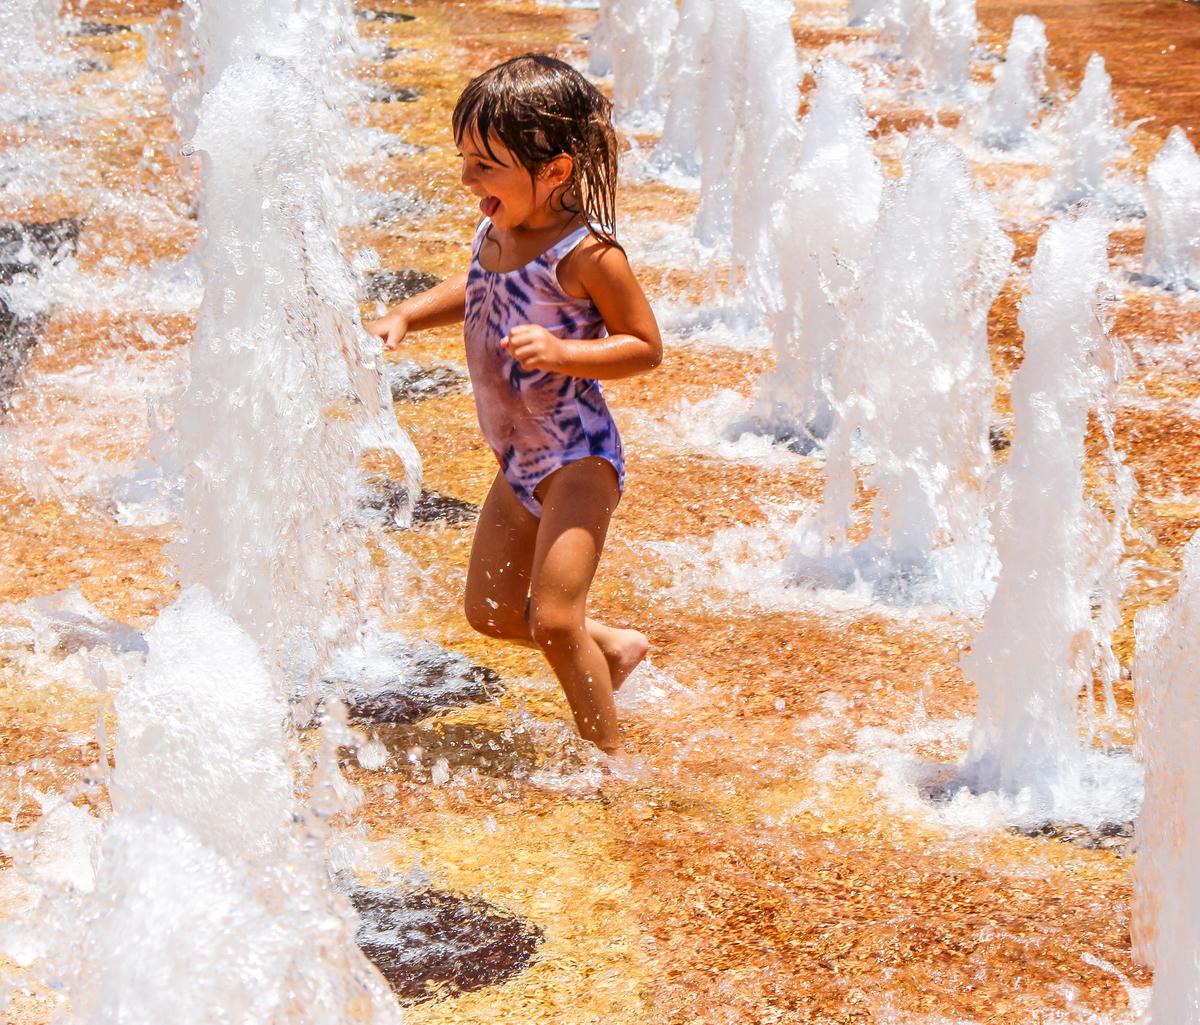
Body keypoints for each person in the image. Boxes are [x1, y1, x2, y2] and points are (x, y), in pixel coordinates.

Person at [366, 54, 662, 756]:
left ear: (555, 171)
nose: (468, 181)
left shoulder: (587, 256)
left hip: (576, 458)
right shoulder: (496, 229)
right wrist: (406, 314)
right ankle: (614, 650)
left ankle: (609, 762)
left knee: (556, 620)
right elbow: (473, 288)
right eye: (465, 161)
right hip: (520, 458)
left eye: (485, 165)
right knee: (493, 613)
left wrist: (565, 353)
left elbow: (644, 346)